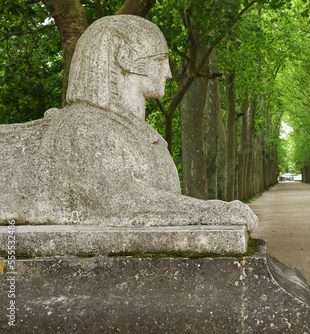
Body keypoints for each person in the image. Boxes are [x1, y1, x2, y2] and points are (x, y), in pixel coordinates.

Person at [0, 15, 257, 232]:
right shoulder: (82, 127)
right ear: (125, 58)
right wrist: (213, 212)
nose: (168, 72)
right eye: (159, 61)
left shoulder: (129, 129)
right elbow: (119, 203)